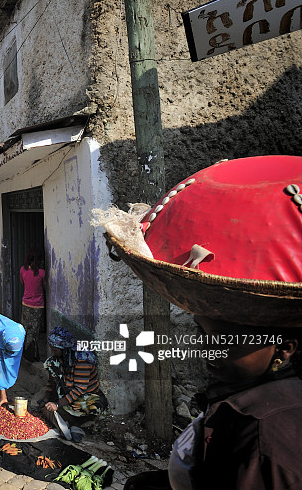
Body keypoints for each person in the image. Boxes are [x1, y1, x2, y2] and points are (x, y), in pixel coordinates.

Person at [97, 156, 302, 490]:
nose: (207, 347)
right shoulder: (241, 401)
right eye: (201, 332)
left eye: (224, 338)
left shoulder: (268, 436)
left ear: (285, 348)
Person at [39, 326, 107, 442]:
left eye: (55, 350)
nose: (52, 352)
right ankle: (68, 421)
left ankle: (78, 424)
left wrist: (57, 404)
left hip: (85, 396)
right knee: (47, 407)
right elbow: (52, 381)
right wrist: (46, 398)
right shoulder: (56, 361)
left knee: (93, 407)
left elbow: (80, 389)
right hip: (67, 393)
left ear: (64, 349)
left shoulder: (82, 360)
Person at [20, 249, 46, 361]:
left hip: (26, 303)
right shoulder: (41, 273)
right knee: (34, 332)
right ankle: (32, 355)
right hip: (37, 306)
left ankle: (23, 352)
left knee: (25, 328)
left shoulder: (22, 270)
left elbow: (22, 282)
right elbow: (45, 286)